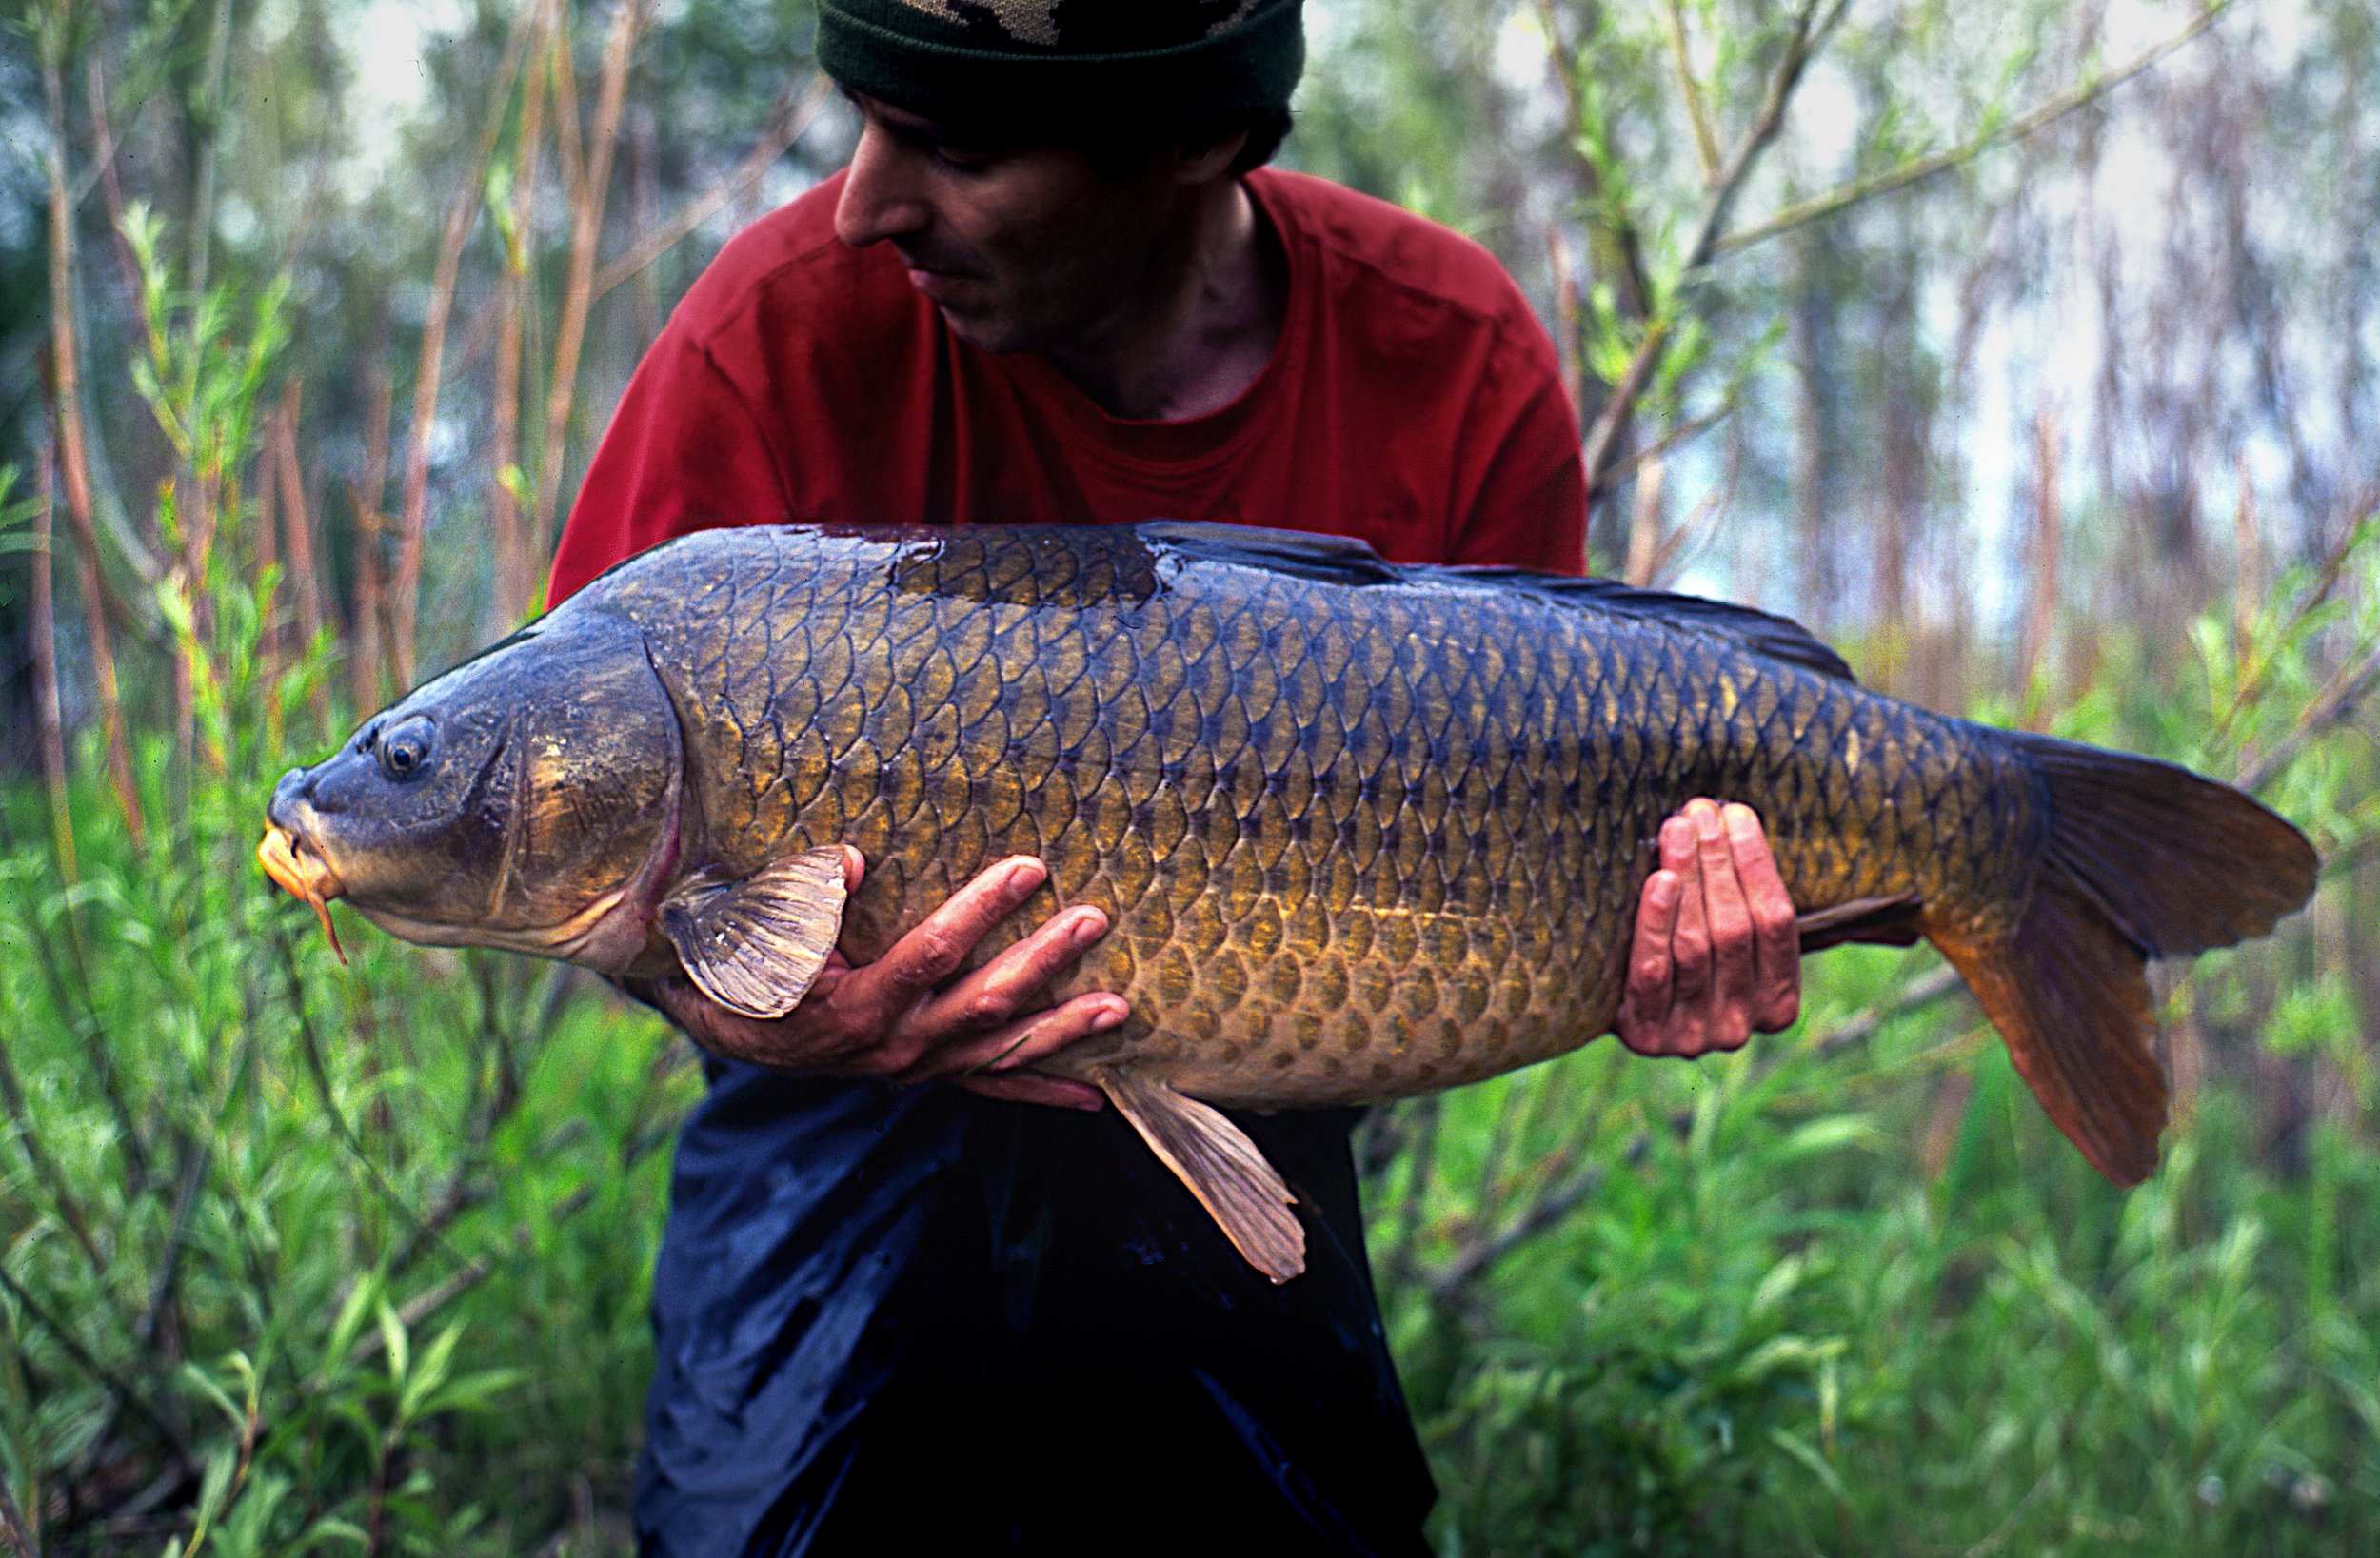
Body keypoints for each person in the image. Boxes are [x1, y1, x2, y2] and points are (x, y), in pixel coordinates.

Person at [546, 2, 1803, 1550]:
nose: (866, 204)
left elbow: (1529, 888)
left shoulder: (1451, 362)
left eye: (957, 143)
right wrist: (734, 1000)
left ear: (1200, 137)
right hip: (832, 1124)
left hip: (1243, 1094)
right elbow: (585, 816)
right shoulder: (777, 331)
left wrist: (1665, 937)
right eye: (863, 117)